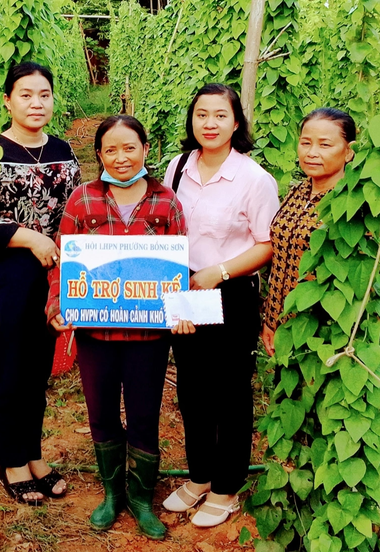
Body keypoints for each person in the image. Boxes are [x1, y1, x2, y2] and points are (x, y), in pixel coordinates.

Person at [46, 115, 185, 540]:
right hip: (96, 334)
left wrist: (179, 310)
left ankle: (142, 500)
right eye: (111, 150)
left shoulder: (167, 202)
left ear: (145, 149)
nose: (121, 158)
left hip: (148, 336)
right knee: (101, 412)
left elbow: (178, 265)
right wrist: (57, 302)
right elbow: (63, 262)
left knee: (144, 415)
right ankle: (113, 495)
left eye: (129, 148)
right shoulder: (82, 200)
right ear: (100, 155)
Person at [0, 62, 81, 505]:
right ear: (8, 100)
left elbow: (76, 208)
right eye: (26, 94)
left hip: (53, 274)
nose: (36, 103)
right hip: (6, 274)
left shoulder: (65, 150)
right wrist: (29, 237)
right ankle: (10, 461)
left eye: (44, 94)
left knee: (37, 366)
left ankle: (33, 454)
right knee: (8, 367)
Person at [161, 84, 279, 528]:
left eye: (219, 116)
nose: (209, 124)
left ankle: (227, 487)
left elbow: (267, 244)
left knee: (230, 391)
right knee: (191, 388)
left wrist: (221, 272)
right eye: (201, 115)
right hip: (185, 286)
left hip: (228, 291)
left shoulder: (253, 179)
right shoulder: (177, 168)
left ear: (236, 123)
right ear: (192, 121)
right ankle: (199, 476)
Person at [262, 107, 356, 356]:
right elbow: (280, 261)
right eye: (305, 143)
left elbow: (362, 277)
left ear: (348, 151)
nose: (312, 153)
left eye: (325, 145)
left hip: (326, 332)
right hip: (286, 326)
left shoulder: (352, 204)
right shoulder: (298, 192)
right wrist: (271, 321)